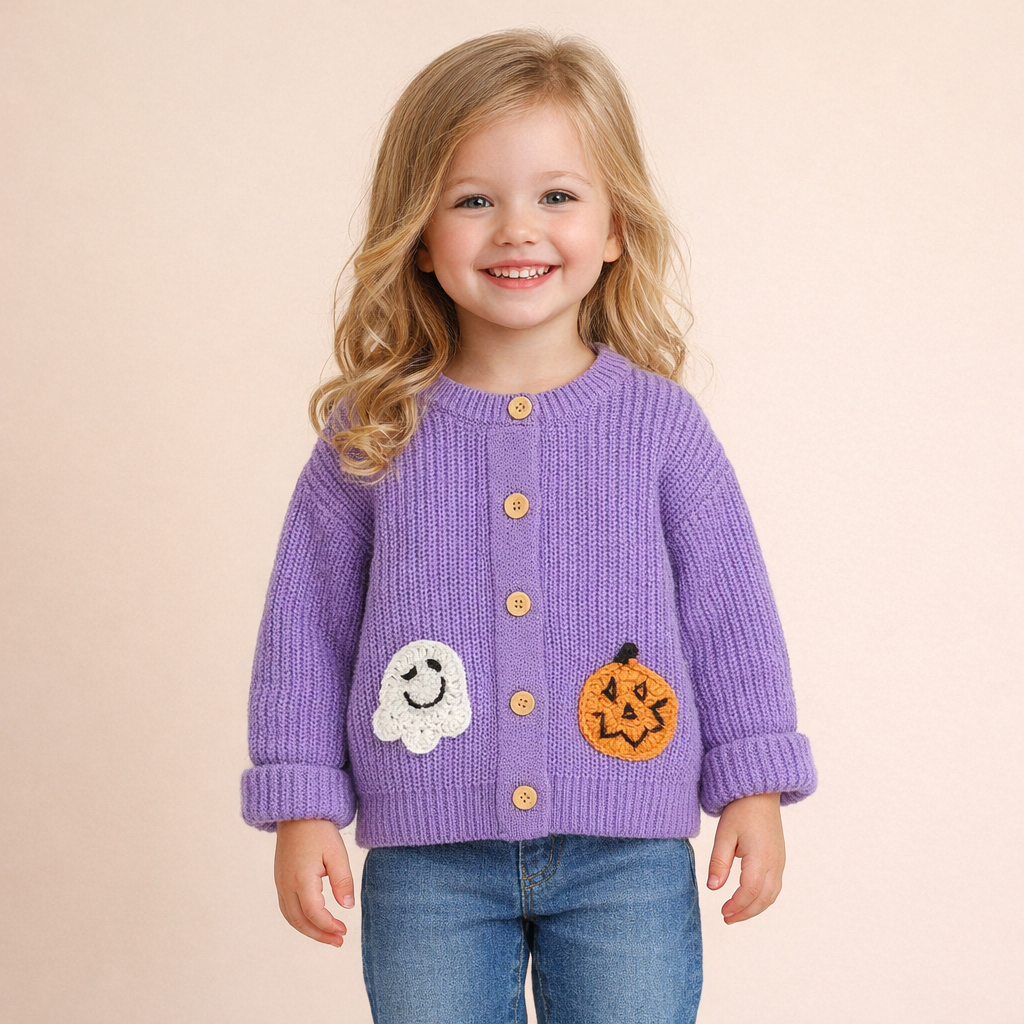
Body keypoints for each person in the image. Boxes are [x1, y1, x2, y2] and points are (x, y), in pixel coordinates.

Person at [240, 27, 817, 1024]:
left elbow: (729, 613)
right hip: (428, 863)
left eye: (557, 196)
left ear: (616, 226)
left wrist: (752, 786)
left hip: (626, 855)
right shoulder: (373, 432)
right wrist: (301, 803)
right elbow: (306, 625)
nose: (517, 229)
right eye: (473, 200)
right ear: (419, 236)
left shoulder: (658, 426)